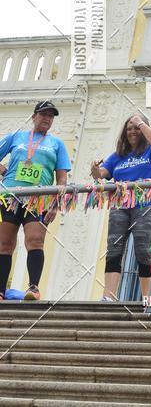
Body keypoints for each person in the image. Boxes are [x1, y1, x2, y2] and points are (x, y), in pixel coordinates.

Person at [0, 100, 71, 301]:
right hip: (10, 197)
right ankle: (0, 290)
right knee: (4, 244)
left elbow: (62, 178)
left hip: (39, 199)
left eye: (51, 116)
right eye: (43, 114)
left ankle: (33, 288)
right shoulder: (17, 136)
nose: (47, 118)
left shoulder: (57, 144)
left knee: (35, 241)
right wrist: (4, 171)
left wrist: (56, 204)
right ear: (34, 117)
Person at [91, 113, 151, 302]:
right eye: (129, 128)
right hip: (120, 206)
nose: (132, 131)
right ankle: (109, 296)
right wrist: (94, 170)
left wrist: (140, 122)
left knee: (143, 250)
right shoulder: (117, 156)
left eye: (136, 128)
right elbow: (102, 174)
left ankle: (147, 297)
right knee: (114, 249)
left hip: (146, 204)